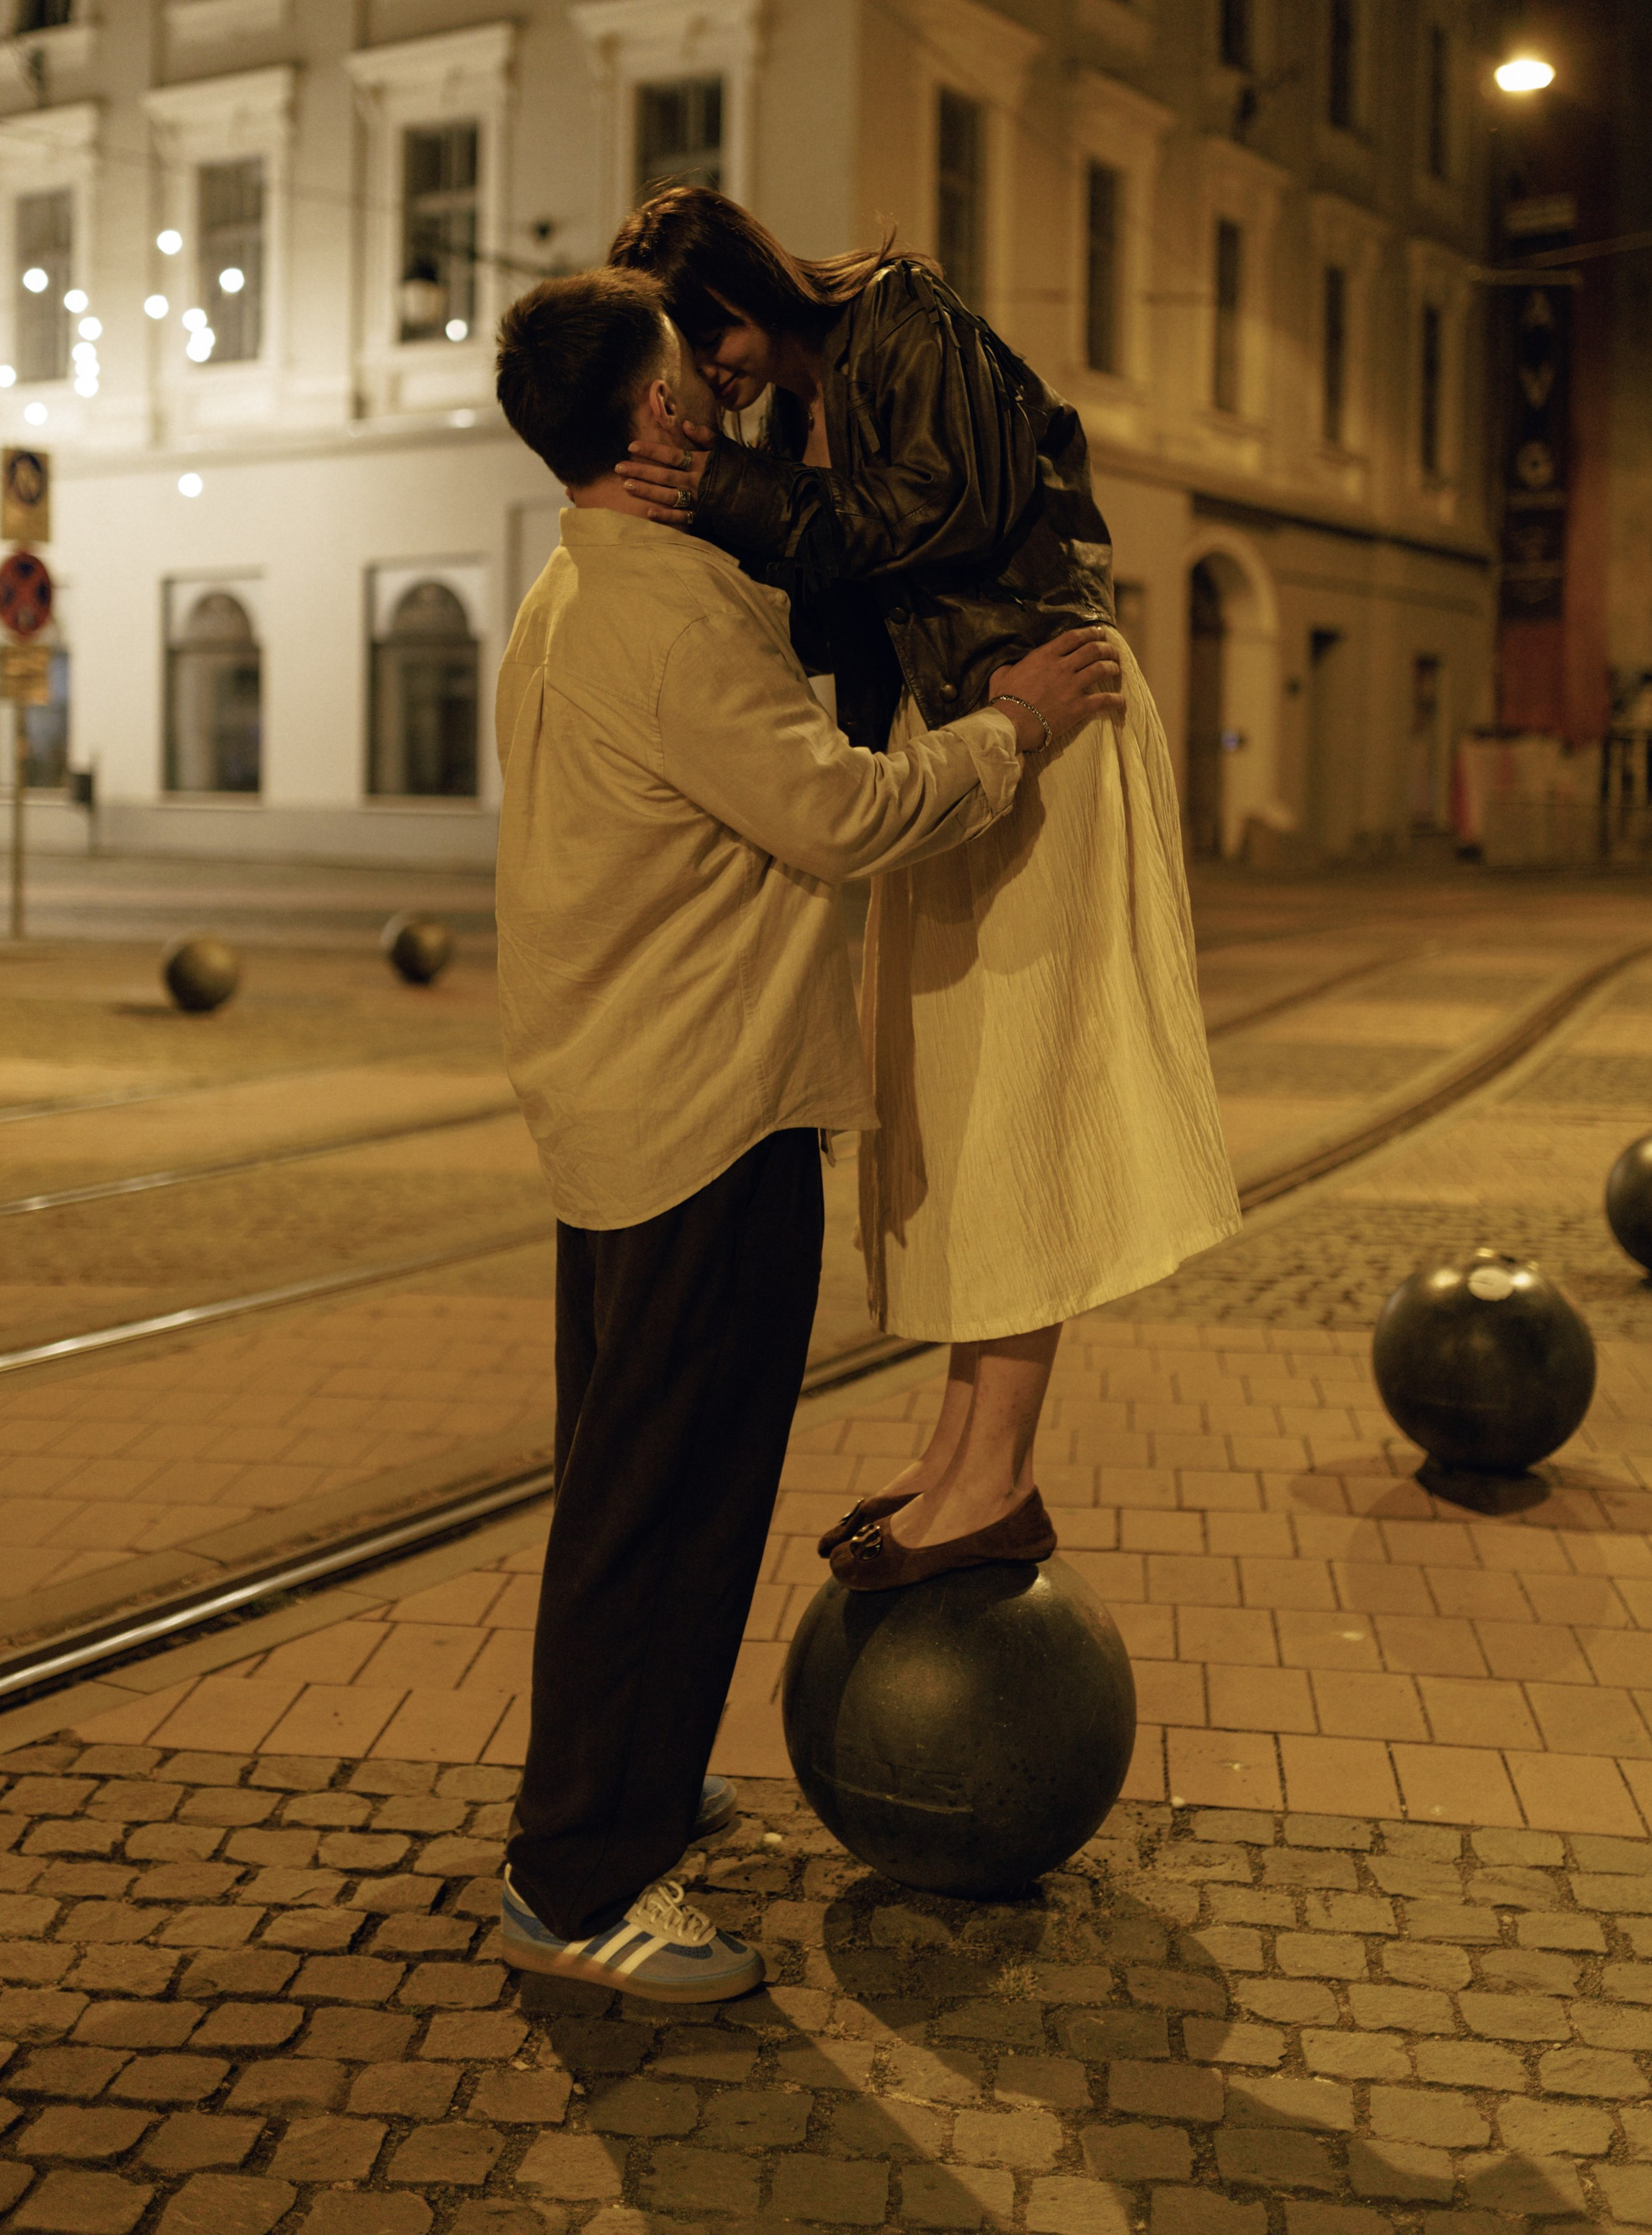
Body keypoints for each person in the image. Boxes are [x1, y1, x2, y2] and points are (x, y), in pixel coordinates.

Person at [490, 264, 1124, 2003]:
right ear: (652, 425)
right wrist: (1015, 728)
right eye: (680, 373)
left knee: (635, 1484)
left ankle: (621, 1786)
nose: (711, 382)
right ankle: (578, 1881)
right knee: (664, 1505)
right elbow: (843, 817)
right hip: (703, 1113)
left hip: (624, 1101)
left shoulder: (577, 589)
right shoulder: (669, 619)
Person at [608, 191, 1239, 1593]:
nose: (699, 371)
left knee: (1016, 1092)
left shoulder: (903, 321)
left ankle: (996, 1470)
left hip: (1041, 724)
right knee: (952, 1102)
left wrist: (718, 488)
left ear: (737, 291)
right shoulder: (806, 403)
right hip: (967, 737)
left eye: (695, 334)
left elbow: (940, 508)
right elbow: (844, 584)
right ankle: (961, 1443)